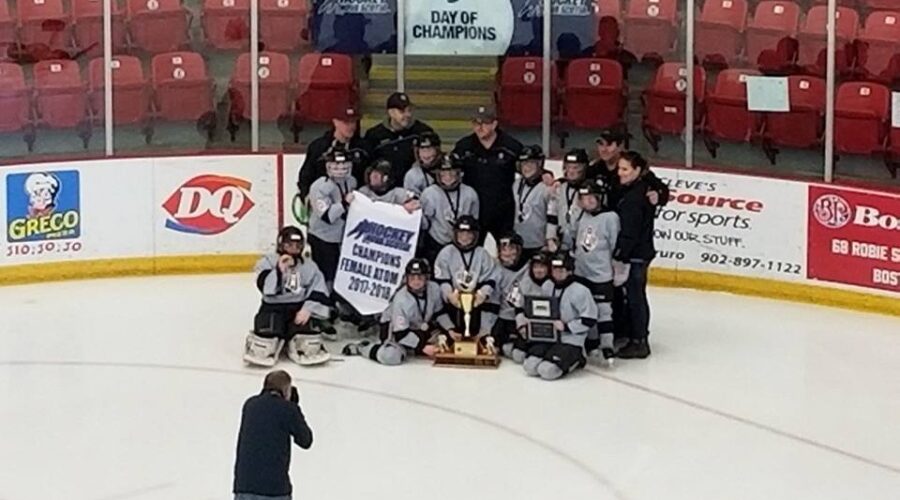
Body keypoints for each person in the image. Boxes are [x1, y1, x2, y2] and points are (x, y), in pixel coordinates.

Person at [244, 227, 332, 367]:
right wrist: (278, 270)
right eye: (289, 245)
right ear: (281, 245)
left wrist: (308, 309)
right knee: (264, 345)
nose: (293, 249)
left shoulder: (309, 266)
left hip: (298, 309)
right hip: (273, 308)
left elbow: (319, 288)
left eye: (297, 245)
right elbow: (264, 287)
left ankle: (294, 337)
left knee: (308, 344)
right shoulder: (268, 261)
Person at [342, 259, 454, 365]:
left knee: (448, 343)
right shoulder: (401, 300)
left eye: (420, 277)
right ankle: (363, 348)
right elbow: (401, 334)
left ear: (427, 278)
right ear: (406, 278)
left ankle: (415, 348)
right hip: (395, 331)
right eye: (412, 278)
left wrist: (450, 329)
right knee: (390, 356)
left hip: (419, 327)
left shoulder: (434, 288)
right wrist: (422, 347)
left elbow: (439, 313)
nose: (416, 281)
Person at [233, 370, 313, 500]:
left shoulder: (250, 405)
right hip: (274, 489)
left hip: (245, 485)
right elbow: (306, 440)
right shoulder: (288, 409)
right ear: (286, 390)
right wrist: (293, 406)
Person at [452, 106, 523, 244]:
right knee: (470, 250)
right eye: (476, 123)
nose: (479, 128)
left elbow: (528, 166)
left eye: (484, 123)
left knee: (507, 249)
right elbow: (448, 170)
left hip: (503, 211)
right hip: (474, 211)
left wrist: (546, 175)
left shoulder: (510, 146)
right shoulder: (464, 146)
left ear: (494, 124)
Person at [522, 253, 597, 381]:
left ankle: (579, 358)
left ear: (570, 271)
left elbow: (590, 319)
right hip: (549, 337)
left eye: (561, 270)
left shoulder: (581, 290)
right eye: (554, 270)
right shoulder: (547, 285)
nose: (557, 273)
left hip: (571, 340)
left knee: (547, 371)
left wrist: (566, 326)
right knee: (530, 366)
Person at [613, 152, 657, 359]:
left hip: (635, 255)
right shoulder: (633, 190)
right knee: (633, 296)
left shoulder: (635, 197)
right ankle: (635, 335)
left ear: (637, 170)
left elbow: (630, 231)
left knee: (635, 297)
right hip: (637, 253)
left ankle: (639, 340)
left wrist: (620, 254)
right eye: (619, 168)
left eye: (625, 169)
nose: (620, 173)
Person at [573, 182, 621, 364]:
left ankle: (607, 345)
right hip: (581, 272)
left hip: (601, 274)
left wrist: (618, 270)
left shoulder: (610, 217)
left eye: (591, 197)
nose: (588, 201)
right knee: (586, 309)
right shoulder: (582, 215)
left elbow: (615, 245)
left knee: (603, 310)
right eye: (584, 198)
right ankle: (592, 343)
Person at [433, 216, 500, 340]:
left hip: (476, 300)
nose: (465, 237)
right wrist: (449, 295)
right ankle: (449, 331)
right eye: (461, 233)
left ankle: (484, 332)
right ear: (455, 234)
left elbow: (490, 278)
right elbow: (442, 279)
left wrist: (483, 294)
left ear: (475, 235)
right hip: (454, 299)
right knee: (436, 294)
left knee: (493, 294)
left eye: (469, 234)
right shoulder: (446, 252)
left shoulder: (482, 254)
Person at [307, 147, 357, 292]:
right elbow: (327, 216)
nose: (340, 169)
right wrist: (344, 204)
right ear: (328, 166)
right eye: (336, 165)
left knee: (340, 274)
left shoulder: (351, 181)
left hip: (341, 237)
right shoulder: (319, 187)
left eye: (343, 165)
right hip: (322, 238)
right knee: (326, 275)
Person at [297, 106, 369, 200]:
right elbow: (306, 177)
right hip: (325, 202)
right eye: (346, 122)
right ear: (335, 122)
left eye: (353, 122)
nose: (351, 126)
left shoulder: (363, 148)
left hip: (354, 202)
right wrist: (308, 198)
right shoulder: (319, 147)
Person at [589, 127, 670, 209]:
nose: (603, 149)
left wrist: (657, 195)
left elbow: (662, 190)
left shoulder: (631, 165)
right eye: (601, 144)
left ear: (620, 146)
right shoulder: (595, 168)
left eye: (609, 145)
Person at [419, 154, 480, 264]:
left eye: (452, 172)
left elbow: (474, 222)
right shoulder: (429, 194)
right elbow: (424, 224)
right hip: (436, 244)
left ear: (459, 173)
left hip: (464, 245)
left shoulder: (470, 194)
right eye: (443, 173)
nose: (448, 177)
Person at [364, 92, 435, 181]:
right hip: (385, 185)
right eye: (402, 111)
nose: (407, 115)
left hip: (416, 184)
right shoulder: (374, 135)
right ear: (391, 112)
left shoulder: (422, 131)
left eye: (409, 110)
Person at [505, 252, 555, 363]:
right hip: (529, 329)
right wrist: (521, 326)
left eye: (542, 267)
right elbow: (518, 307)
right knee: (517, 355)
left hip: (550, 332)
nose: (539, 270)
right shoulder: (524, 283)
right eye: (535, 267)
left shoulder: (555, 285)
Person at [512, 145, 557, 262]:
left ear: (539, 164)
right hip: (518, 243)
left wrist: (550, 238)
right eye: (524, 164)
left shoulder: (547, 187)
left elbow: (552, 216)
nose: (527, 167)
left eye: (531, 163)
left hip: (539, 245)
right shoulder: (516, 184)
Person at [489, 232, 528, 355]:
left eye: (511, 249)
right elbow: (494, 297)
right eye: (503, 249)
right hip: (502, 316)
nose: (507, 253)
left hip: (522, 317)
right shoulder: (495, 267)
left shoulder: (530, 267)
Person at [553, 148, 591, 252]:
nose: (571, 172)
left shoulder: (592, 191)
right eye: (568, 167)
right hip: (561, 243)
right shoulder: (560, 188)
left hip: (583, 244)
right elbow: (552, 214)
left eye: (576, 168)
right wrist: (551, 237)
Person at [403, 132, 443, 197]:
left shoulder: (449, 170)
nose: (426, 155)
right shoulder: (413, 175)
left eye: (429, 150)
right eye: (422, 150)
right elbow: (411, 198)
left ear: (437, 150)